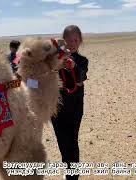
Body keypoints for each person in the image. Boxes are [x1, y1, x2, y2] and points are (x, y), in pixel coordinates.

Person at [51, 25, 89, 180]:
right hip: (57, 108)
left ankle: (73, 177)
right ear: (64, 41)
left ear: (80, 41)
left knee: (72, 142)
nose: (73, 43)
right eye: (69, 40)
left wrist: (73, 66)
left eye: (76, 40)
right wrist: (57, 64)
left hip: (74, 109)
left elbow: (81, 78)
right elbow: (46, 75)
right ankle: (69, 173)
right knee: (62, 143)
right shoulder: (56, 60)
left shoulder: (82, 60)